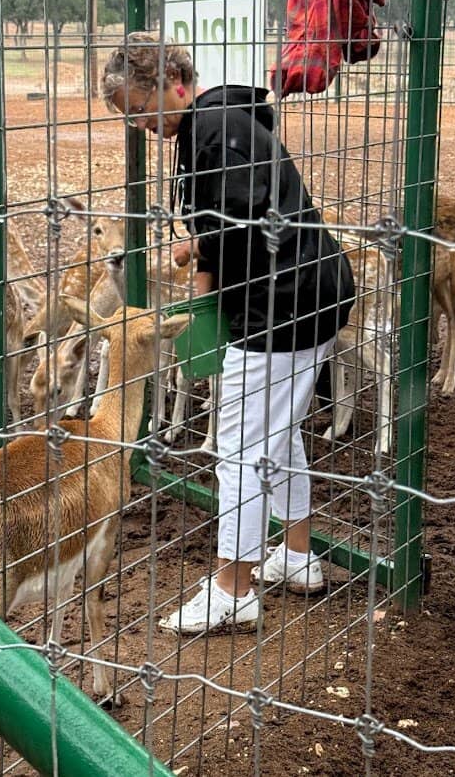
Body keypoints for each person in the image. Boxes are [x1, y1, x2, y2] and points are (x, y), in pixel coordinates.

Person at [103, 33, 355, 635]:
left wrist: (200, 266)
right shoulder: (213, 127)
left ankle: (232, 590)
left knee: (238, 449)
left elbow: (239, 224)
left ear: (175, 84)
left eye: (141, 108)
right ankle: (296, 557)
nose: (141, 124)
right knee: (277, 432)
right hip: (306, 293)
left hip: (281, 305)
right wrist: (202, 270)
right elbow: (227, 221)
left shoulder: (214, 129)